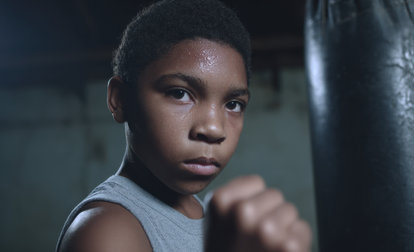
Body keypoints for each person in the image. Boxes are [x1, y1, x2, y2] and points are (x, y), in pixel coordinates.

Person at [56, 0, 311, 251]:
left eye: (233, 104)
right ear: (120, 99)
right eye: (179, 93)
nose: (213, 129)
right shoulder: (106, 231)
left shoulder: (207, 217)